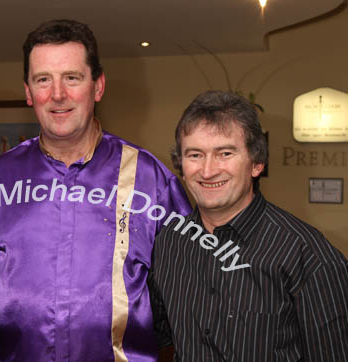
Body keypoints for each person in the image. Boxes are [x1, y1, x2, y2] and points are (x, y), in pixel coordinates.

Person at [0, 19, 191, 361]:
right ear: (28, 92)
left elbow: (188, 302)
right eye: (43, 79)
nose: (57, 94)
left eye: (72, 78)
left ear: (98, 86)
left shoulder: (151, 180)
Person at [149, 90, 348, 361]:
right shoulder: (169, 243)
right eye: (195, 155)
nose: (207, 171)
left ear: (256, 163)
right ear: (181, 165)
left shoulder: (309, 256)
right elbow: (161, 338)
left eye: (225, 153)